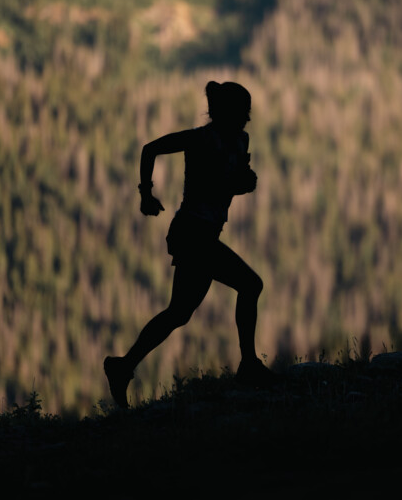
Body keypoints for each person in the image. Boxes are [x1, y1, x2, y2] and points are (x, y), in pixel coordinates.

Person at [104, 80, 274, 408]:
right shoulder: (200, 139)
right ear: (225, 113)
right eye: (242, 112)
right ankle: (249, 365)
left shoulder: (240, 140)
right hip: (191, 234)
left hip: (202, 234)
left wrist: (243, 183)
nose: (246, 119)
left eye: (247, 113)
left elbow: (227, 183)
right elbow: (150, 149)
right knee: (250, 285)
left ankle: (122, 366)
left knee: (179, 313)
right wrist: (145, 194)